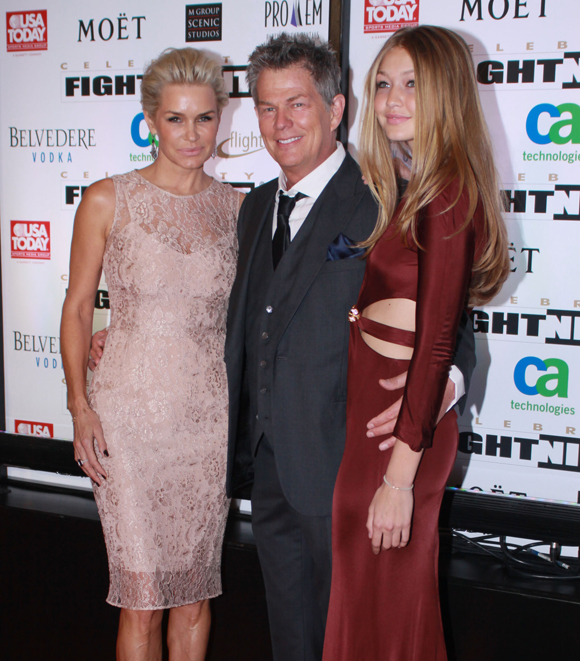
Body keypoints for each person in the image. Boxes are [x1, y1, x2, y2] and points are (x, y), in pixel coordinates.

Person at [223, 34, 477, 661]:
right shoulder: (254, 207)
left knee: (357, 641)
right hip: (270, 464)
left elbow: (453, 330)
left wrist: (442, 388)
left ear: (336, 109)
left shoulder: (387, 193)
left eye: (297, 104)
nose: (279, 123)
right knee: (293, 639)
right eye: (265, 106)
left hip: (351, 468)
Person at [322, 26, 509, 660]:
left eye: (412, 86)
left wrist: (400, 478)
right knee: (366, 587)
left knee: (387, 592)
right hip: (376, 415)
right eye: (382, 84)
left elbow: (436, 344)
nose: (392, 99)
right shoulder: (406, 180)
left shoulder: (448, 191)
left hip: (402, 433)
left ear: (448, 96)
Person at [61, 47, 242, 661]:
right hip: (128, 424)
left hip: (206, 424)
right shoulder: (108, 198)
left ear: (221, 118)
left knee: (194, 596)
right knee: (139, 597)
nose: (191, 135)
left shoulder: (240, 209)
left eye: (204, 119)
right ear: (150, 119)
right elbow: (79, 308)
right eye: (175, 119)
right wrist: (80, 408)